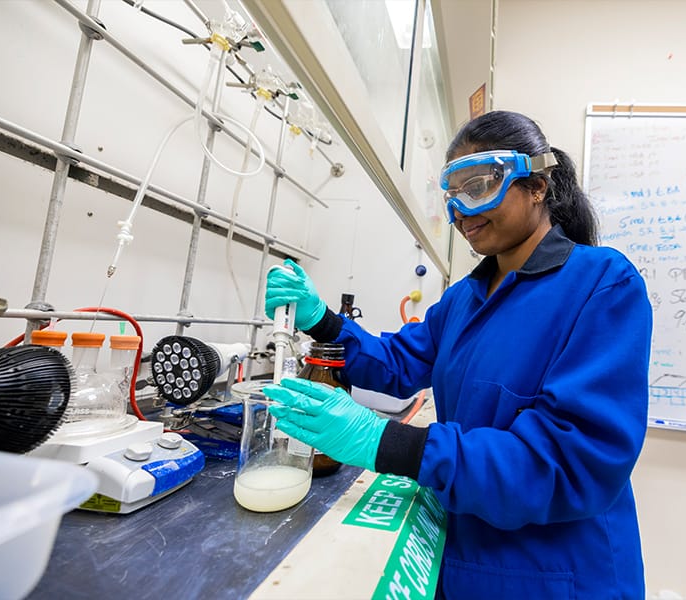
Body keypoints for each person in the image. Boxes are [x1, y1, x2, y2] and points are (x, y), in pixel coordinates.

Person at [264, 110, 652, 599]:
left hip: (556, 576)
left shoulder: (601, 283)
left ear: (537, 185)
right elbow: (395, 363)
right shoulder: (463, 298)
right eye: (452, 196)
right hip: (466, 560)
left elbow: (571, 461)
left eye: (478, 186)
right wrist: (318, 318)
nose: (461, 213)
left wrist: (387, 443)